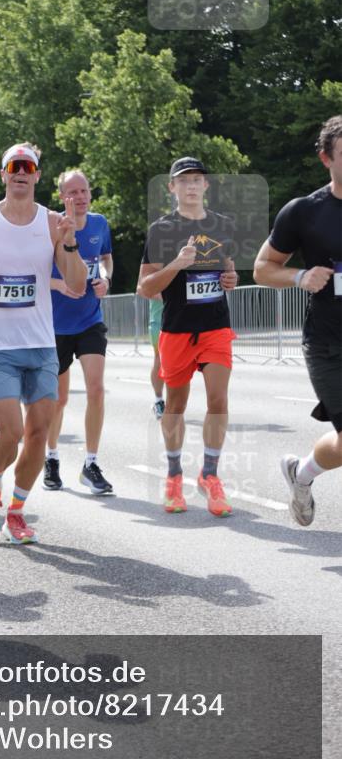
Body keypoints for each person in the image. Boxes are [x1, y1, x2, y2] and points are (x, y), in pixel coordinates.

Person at [0, 143, 87, 544]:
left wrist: (70, 241)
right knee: (9, 433)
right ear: (4, 174)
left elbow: (77, 283)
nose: (21, 172)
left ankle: (16, 511)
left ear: (37, 175)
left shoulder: (51, 223)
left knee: (38, 434)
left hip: (42, 345)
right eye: (14, 166)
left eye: (28, 166)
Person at [254, 116, 342, 526]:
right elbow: (262, 268)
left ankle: (300, 473)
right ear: (326, 158)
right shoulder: (305, 212)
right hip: (329, 344)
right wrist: (301, 277)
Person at [137, 157, 238, 517]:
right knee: (176, 405)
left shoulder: (223, 226)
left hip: (215, 326)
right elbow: (145, 288)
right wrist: (177, 264)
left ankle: (210, 475)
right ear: (172, 188)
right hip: (177, 328)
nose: (192, 185)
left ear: (206, 186)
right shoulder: (161, 230)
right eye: (184, 181)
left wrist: (230, 279)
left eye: (198, 179)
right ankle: (174, 476)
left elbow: (228, 272)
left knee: (218, 398)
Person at [43, 170, 114, 494]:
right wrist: (60, 283)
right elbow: (34, 272)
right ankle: (52, 457)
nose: (80, 197)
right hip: (56, 325)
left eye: (84, 190)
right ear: (61, 197)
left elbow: (106, 259)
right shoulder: (51, 227)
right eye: (72, 192)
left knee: (96, 389)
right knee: (58, 400)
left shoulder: (99, 223)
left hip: (89, 319)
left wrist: (105, 279)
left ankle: (90, 463)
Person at [149, 296, 165, 419]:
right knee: (160, 360)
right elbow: (144, 289)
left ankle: (175, 401)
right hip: (158, 323)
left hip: (181, 323)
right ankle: (158, 400)